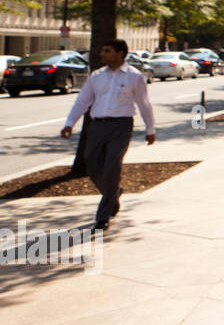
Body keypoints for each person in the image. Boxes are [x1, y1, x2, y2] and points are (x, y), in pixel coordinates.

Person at [60, 39, 156, 233]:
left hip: (121, 125)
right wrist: (69, 124)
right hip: (96, 126)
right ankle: (113, 192)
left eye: (107, 50)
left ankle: (102, 217)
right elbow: (82, 101)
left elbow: (144, 103)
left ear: (120, 53)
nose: (102, 54)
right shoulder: (96, 76)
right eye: (102, 51)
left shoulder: (134, 77)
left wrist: (150, 129)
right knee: (92, 165)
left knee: (112, 165)